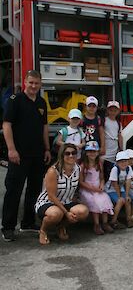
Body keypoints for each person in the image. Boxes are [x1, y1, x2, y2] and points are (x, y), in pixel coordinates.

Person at [2, 70, 52, 242]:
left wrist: (47, 148)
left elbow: (44, 127)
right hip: (19, 155)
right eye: (30, 82)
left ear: (40, 84)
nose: (33, 86)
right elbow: (7, 125)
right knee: (14, 190)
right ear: (25, 82)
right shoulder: (15, 101)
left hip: (37, 154)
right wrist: (11, 149)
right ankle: (8, 227)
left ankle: (28, 223)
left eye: (36, 83)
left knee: (34, 190)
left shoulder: (41, 102)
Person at [34, 143, 89, 245]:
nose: (71, 156)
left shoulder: (78, 169)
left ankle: (61, 227)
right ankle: (43, 230)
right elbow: (51, 196)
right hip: (48, 202)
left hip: (66, 201)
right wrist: (66, 213)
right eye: (67, 153)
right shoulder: (53, 171)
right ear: (61, 155)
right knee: (56, 214)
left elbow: (78, 186)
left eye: (73, 153)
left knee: (83, 211)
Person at [79, 141, 114, 235]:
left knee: (105, 199)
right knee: (94, 201)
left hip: (98, 188)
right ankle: (97, 224)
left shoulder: (99, 164)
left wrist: (102, 185)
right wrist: (93, 189)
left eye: (94, 151)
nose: (92, 153)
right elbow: (81, 182)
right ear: (86, 153)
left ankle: (105, 223)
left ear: (98, 152)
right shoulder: (83, 166)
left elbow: (102, 178)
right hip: (87, 189)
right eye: (90, 151)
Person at [104, 151, 133, 228]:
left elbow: (128, 181)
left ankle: (128, 219)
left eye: (125, 161)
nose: (124, 163)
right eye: (121, 161)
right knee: (120, 201)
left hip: (120, 188)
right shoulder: (115, 169)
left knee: (128, 200)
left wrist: (127, 195)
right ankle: (113, 221)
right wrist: (119, 196)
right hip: (110, 190)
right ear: (117, 162)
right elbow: (114, 183)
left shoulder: (128, 168)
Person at [102, 100, 123, 181]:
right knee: (104, 169)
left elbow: (119, 136)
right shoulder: (104, 121)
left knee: (112, 171)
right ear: (107, 110)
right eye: (111, 110)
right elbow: (102, 134)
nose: (113, 112)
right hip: (106, 149)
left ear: (118, 111)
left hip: (114, 150)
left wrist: (121, 149)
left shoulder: (118, 123)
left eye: (115, 110)